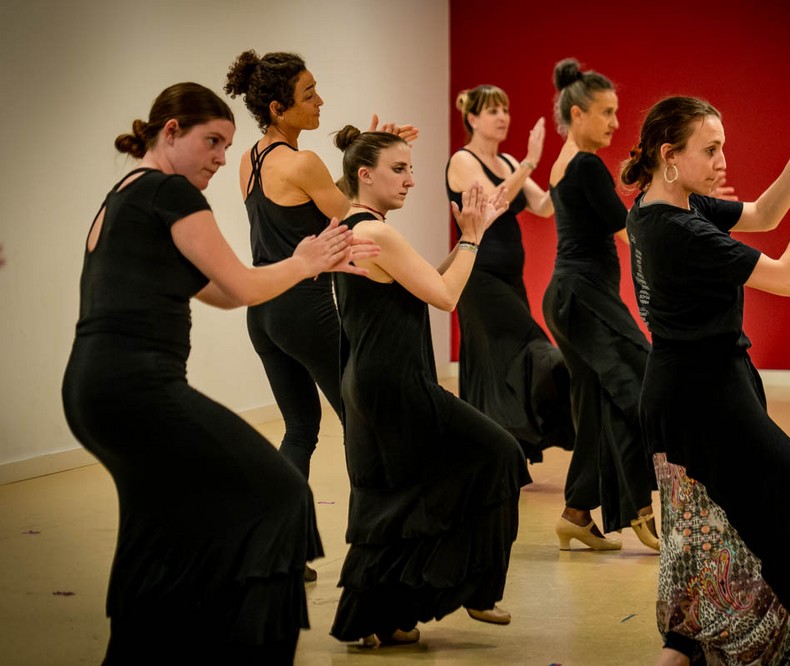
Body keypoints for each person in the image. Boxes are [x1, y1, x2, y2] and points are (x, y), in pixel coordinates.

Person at [60, 82, 374, 664]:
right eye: (211, 141)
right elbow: (245, 285)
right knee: (279, 495)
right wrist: (306, 262)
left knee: (158, 524)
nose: (222, 158)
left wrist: (303, 264)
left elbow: (223, 295)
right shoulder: (170, 193)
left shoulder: (123, 195)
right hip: (136, 387)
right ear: (170, 131)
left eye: (228, 145)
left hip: (92, 392)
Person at [620, 97, 790, 664]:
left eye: (722, 146)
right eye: (711, 149)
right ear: (669, 154)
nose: (722, 158)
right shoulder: (678, 229)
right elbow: (789, 278)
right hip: (703, 398)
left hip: (692, 389)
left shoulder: (659, 207)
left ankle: (687, 646)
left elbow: (762, 215)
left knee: (707, 537)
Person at [329, 125, 530, 647]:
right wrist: (473, 236)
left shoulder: (355, 224)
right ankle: (471, 588)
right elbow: (443, 297)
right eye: (400, 169)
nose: (413, 181)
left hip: (372, 380)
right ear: (364, 174)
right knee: (499, 455)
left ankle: (386, 615)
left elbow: (421, 286)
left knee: (398, 494)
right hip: (396, 381)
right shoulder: (378, 232)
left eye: (412, 169)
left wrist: (466, 239)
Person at [224, 50, 414, 581]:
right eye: (309, 95)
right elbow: (350, 213)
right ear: (280, 107)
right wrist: (373, 164)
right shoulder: (302, 162)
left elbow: (314, 201)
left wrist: (365, 154)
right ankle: (375, 547)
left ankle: (278, 549)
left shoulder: (252, 158)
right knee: (363, 421)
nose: (320, 101)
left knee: (301, 427)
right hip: (303, 308)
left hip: (263, 311)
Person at [543, 59, 658, 552]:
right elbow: (625, 225)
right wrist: (687, 212)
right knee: (640, 380)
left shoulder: (566, 161)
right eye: (607, 113)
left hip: (569, 297)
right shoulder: (585, 164)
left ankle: (576, 511)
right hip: (583, 296)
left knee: (593, 404)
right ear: (577, 112)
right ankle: (641, 507)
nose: (615, 123)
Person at [446, 84, 573, 463]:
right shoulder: (462, 160)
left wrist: (571, 149)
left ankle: (496, 451)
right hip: (478, 276)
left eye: (505, 110)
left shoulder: (508, 162)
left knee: (497, 361)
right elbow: (493, 205)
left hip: (509, 278)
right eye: (493, 111)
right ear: (472, 118)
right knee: (537, 353)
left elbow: (545, 206)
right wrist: (529, 164)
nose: (503, 117)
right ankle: (497, 445)